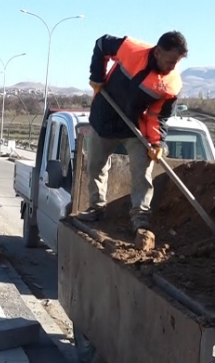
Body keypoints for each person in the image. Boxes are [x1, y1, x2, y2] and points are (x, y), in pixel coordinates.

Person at [77, 31, 188, 233]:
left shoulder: (172, 84)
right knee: (95, 165)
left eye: (177, 63)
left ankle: (140, 215)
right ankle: (96, 207)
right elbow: (101, 44)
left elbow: (158, 116)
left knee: (142, 169)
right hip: (105, 116)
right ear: (158, 52)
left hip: (134, 126)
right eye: (170, 61)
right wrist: (97, 76)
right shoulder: (131, 49)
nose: (173, 67)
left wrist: (157, 143)